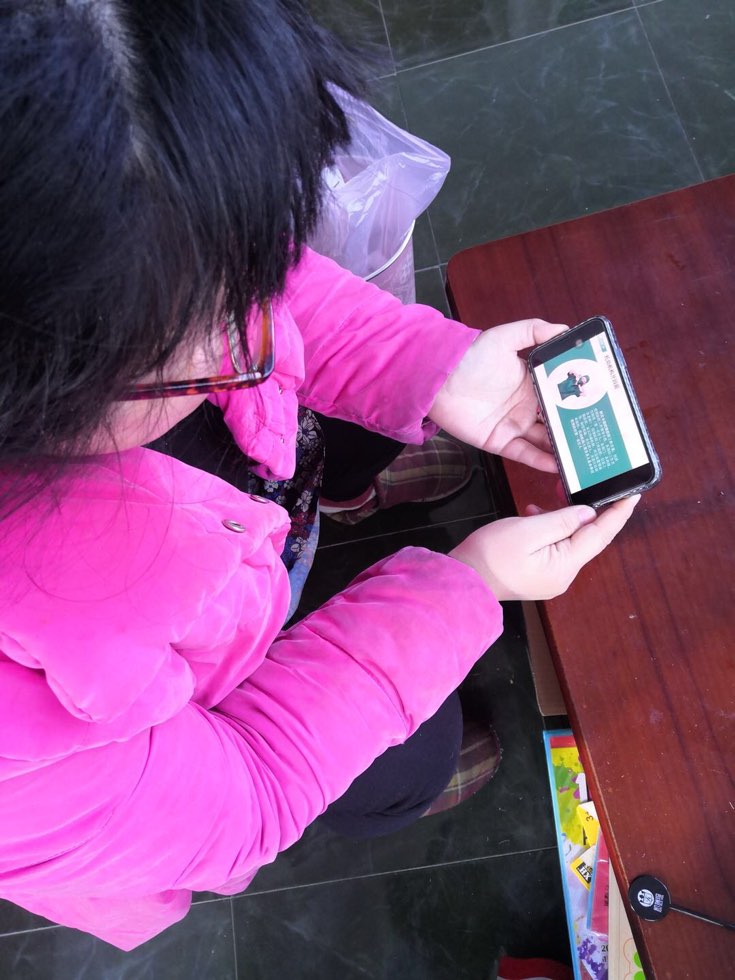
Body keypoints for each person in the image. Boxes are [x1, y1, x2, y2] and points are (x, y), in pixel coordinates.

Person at [0, 0, 638, 952]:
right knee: (397, 766)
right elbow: (253, 787)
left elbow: (243, 276)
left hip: (247, 532)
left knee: (331, 436)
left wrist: (435, 367)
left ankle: (338, 501)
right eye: (201, 332)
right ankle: (395, 769)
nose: (256, 331)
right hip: (221, 720)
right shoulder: (20, 753)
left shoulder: (136, 245)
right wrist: (465, 588)